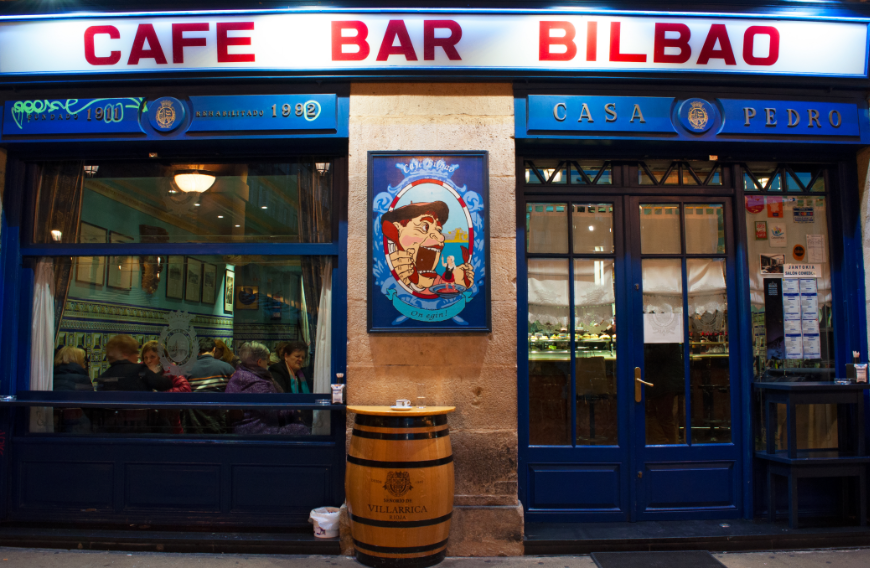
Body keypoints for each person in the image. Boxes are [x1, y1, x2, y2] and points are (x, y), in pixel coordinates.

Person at [226, 342, 310, 436]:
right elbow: (272, 410)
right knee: (301, 430)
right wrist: (295, 410)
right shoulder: (256, 382)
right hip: (257, 431)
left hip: (243, 428)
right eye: (267, 359)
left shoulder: (239, 375)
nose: (268, 362)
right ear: (259, 362)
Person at [141, 341, 191, 434]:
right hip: (146, 422)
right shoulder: (141, 371)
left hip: (170, 422)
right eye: (145, 358)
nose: (148, 361)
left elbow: (186, 389)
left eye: (152, 357)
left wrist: (161, 393)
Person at [98, 335, 173, 392]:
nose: (138, 356)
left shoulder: (103, 377)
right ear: (125, 354)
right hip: (141, 412)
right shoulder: (140, 370)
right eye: (135, 352)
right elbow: (166, 385)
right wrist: (153, 373)